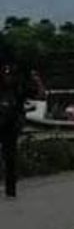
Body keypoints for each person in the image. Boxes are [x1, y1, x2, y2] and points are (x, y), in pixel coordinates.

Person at [0, 62, 42, 199]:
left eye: (10, 75)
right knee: (9, 157)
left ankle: (10, 190)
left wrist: (36, 81)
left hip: (11, 126)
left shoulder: (18, 89)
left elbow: (38, 94)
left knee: (10, 158)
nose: (8, 78)